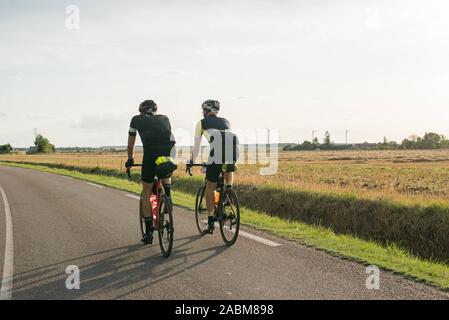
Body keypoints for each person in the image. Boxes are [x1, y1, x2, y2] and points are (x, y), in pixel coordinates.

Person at [126, 100, 175, 244]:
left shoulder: (135, 120)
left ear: (141, 111)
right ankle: (168, 196)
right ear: (155, 110)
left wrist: (130, 159)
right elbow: (170, 137)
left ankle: (148, 232)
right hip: (168, 152)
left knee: (146, 190)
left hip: (150, 154)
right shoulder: (165, 118)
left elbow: (131, 142)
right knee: (165, 172)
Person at [188, 99, 237, 233]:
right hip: (232, 152)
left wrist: (192, 161)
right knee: (227, 165)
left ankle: (210, 221)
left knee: (210, 186)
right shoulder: (226, 121)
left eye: (203, 110)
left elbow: (197, 147)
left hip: (216, 154)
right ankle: (228, 190)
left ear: (206, 111)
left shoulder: (201, 123)